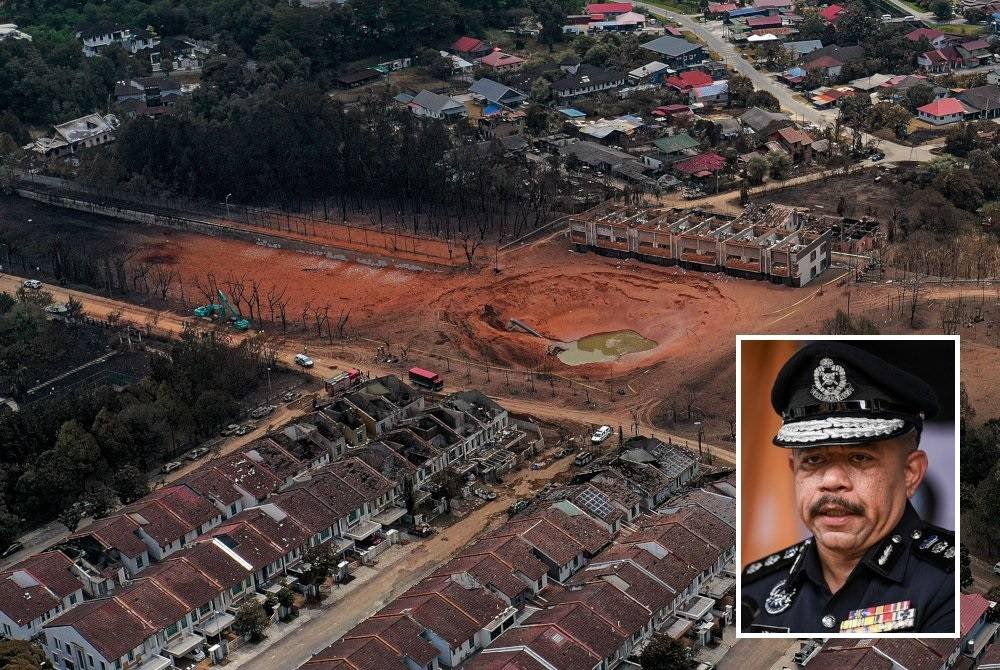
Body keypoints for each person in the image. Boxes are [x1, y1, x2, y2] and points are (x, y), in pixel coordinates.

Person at [741, 342, 954, 634]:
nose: (831, 480)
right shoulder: (755, 587)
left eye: (860, 458)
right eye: (813, 460)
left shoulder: (950, 586)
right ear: (793, 471)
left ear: (910, 473)